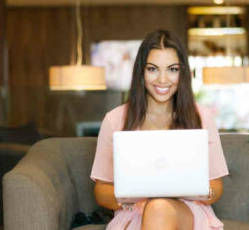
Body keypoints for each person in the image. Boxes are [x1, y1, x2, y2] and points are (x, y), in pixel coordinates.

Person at [90, 30, 229, 230]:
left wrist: (193, 190)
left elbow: (216, 187)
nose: (163, 80)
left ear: (182, 72)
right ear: (141, 72)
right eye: (153, 69)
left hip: (186, 213)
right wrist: (138, 195)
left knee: (159, 208)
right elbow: (101, 191)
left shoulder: (202, 116)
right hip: (133, 212)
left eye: (172, 69)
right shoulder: (114, 120)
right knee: (156, 208)